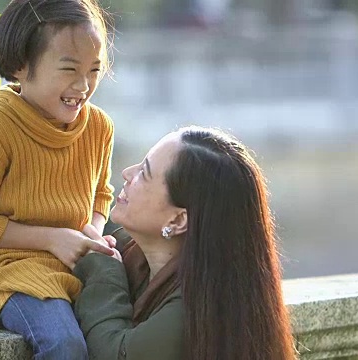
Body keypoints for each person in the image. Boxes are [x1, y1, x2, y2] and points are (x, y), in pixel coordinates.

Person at [0, 0, 116, 359]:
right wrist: (53, 239)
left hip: (73, 262)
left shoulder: (99, 126)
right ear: (20, 66)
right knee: (64, 344)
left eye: (94, 70)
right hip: (10, 271)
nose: (83, 86)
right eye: (69, 69)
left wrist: (93, 232)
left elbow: (101, 194)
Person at [73, 126, 296, 360]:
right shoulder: (130, 251)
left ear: (178, 219)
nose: (127, 173)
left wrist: (103, 269)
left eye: (144, 173)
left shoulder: (198, 308)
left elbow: (114, 353)